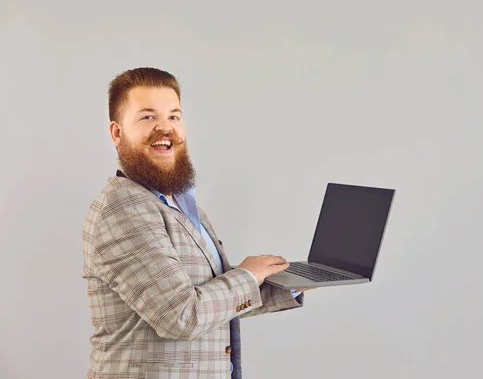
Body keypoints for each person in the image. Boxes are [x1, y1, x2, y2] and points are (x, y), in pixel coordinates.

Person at [82, 67, 311, 379]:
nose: (165, 128)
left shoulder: (181, 203)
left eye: (174, 116)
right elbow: (180, 316)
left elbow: (210, 302)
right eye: (148, 117)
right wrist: (246, 274)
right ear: (117, 133)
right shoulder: (123, 207)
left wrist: (289, 286)